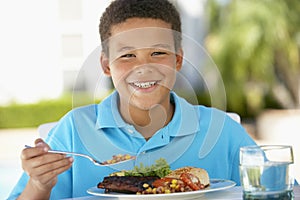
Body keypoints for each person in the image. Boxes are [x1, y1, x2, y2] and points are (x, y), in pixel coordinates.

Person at [8, 0, 257, 199]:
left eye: (158, 53)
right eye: (128, 55)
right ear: (106, 65)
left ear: (178, 60)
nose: (143, 68)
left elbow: (279, 190)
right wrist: (39, 184)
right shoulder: (73, 130)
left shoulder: (222, 130)